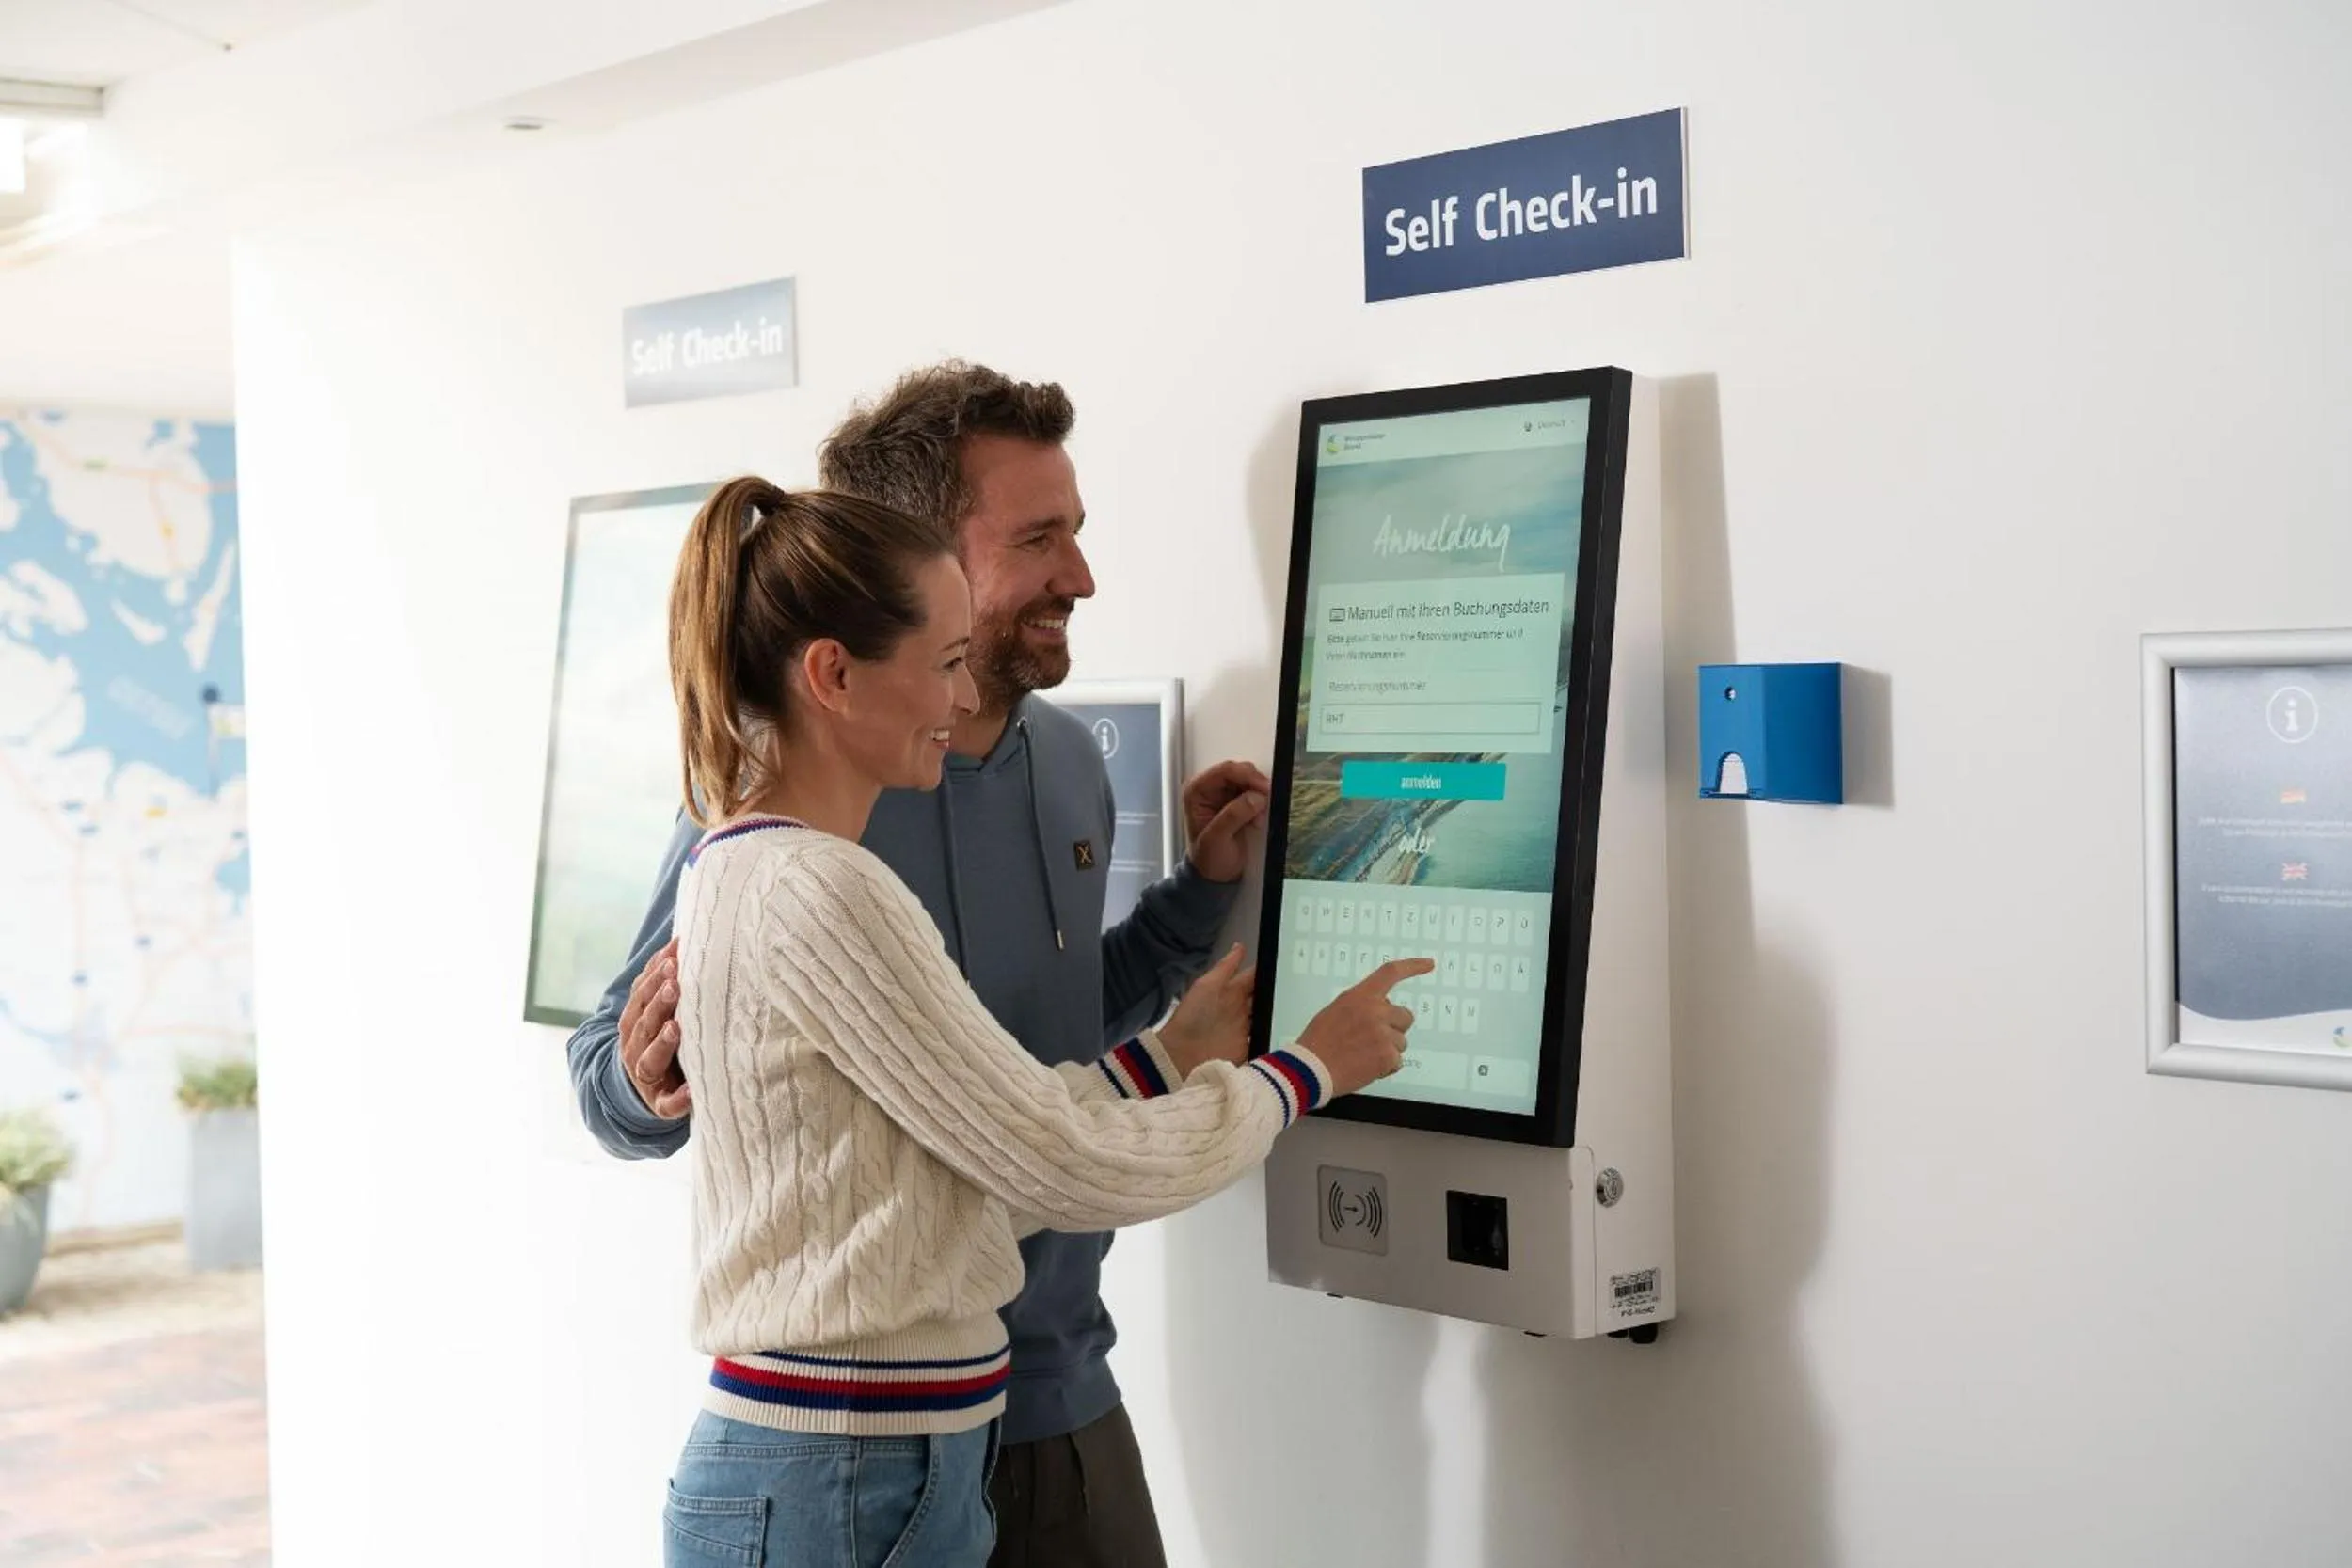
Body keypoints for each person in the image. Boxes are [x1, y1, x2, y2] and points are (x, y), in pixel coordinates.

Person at [566, 363, 1302, 1564]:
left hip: (1058, 1384)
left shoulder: (1073, 764)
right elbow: (609, 1059)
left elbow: (1034, 1038)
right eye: (1040, 537)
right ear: (918, 558)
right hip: (863, 1429)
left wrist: (1194, 903)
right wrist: (646, 1083)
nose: (1080, 573)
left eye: (1078, 531)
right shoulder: (782, 809)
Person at [652, 475, 1422, 1567]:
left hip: (856, 1473)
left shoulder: (754, 870)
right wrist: (1302, 1074)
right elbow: (1055, 1164)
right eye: (945, 663)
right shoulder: (821, 888)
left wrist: (1161, 1056)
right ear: (832, 674)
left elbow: (969, 1151)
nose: (963, 703)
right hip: (845, 1484)